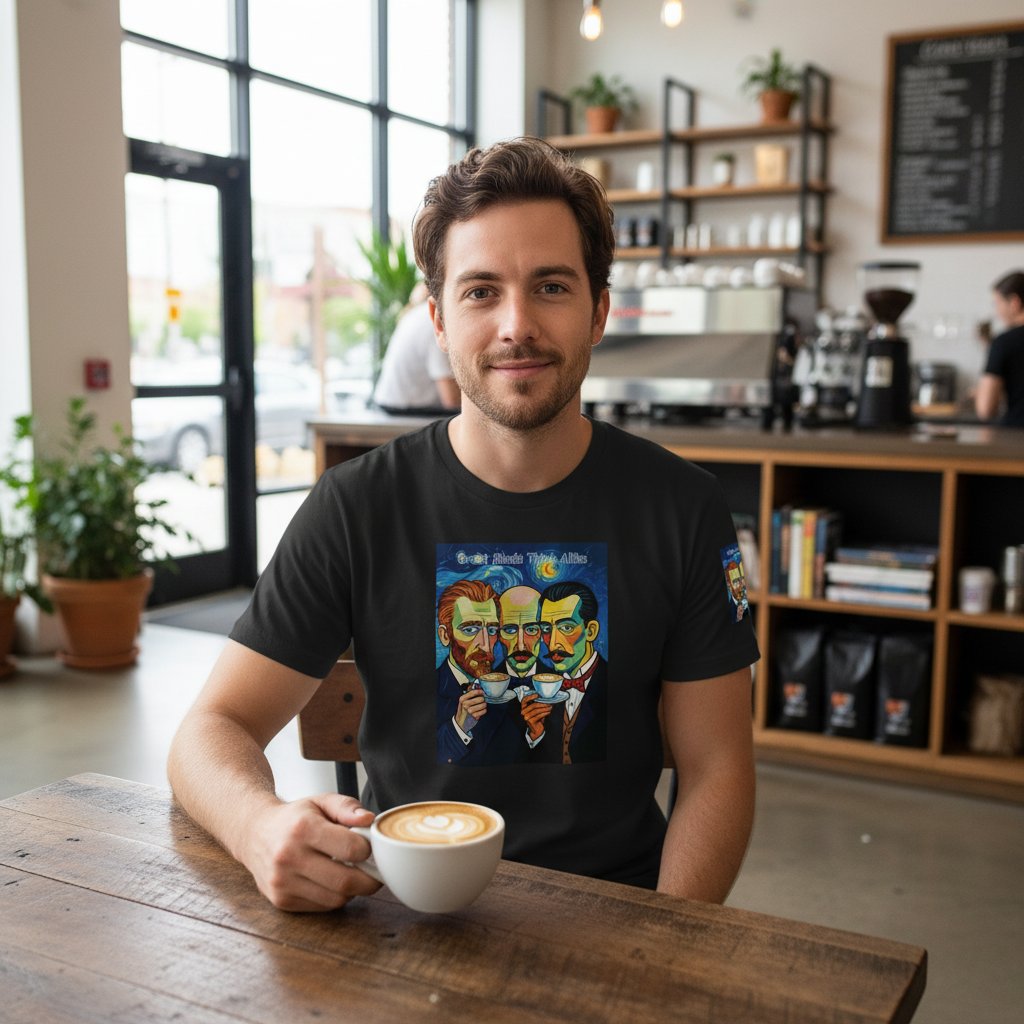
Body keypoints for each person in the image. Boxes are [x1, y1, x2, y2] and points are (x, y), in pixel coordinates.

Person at [167, 137, 759, 913]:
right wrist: (257, 826)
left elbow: (718, 768)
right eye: (481, 291)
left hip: (618, 915)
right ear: (439, 321)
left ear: (600, 310)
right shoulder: (355, 507)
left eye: (551, 285)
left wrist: (666, 954)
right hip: (404, 909)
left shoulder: (683, 507)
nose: (517, 324)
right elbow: (211, 729)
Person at [372, 285, 461, 415]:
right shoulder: (434, 322)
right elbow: (452, 400)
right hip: (407, 412)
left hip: (391, 406)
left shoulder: (415, 313)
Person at [975, 270, 1024, 427]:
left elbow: (985, 409)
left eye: (997, 304)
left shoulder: (1004, 342)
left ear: (1014, 302)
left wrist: (980, 393)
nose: (997, 313)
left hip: (1017, 441)